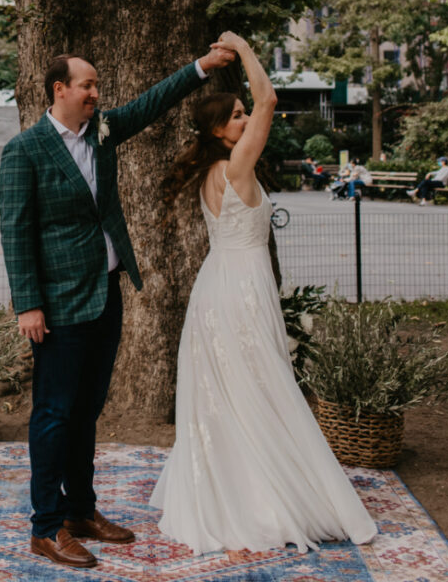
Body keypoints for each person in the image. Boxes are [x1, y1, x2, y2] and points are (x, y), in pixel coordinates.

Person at [0, 43, 235, 569]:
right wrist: (28, 305)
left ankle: (81, 511)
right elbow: (15, 234)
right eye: (87, 86)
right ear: (59, 89)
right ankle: (46, 528)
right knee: (54, 414)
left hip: (107, 293)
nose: (95, 94)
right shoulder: (26, 149)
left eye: (97, 86)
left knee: (86, 411)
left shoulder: (101, 131)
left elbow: (152, 103)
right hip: (56, 306)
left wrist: (203, 67)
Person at [150, 32, 376, 555]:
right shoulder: (235, 167)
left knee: (237, 394)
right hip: (240, 291)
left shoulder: (214, 171)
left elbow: (260, 110)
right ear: (217, 131)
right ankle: (261, 497)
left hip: (219, 285)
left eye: (242, 114)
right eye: (235, 116)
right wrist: (246, 50)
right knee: (261, 387)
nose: (246, 120)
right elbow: (269, 100)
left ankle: (237, 488)